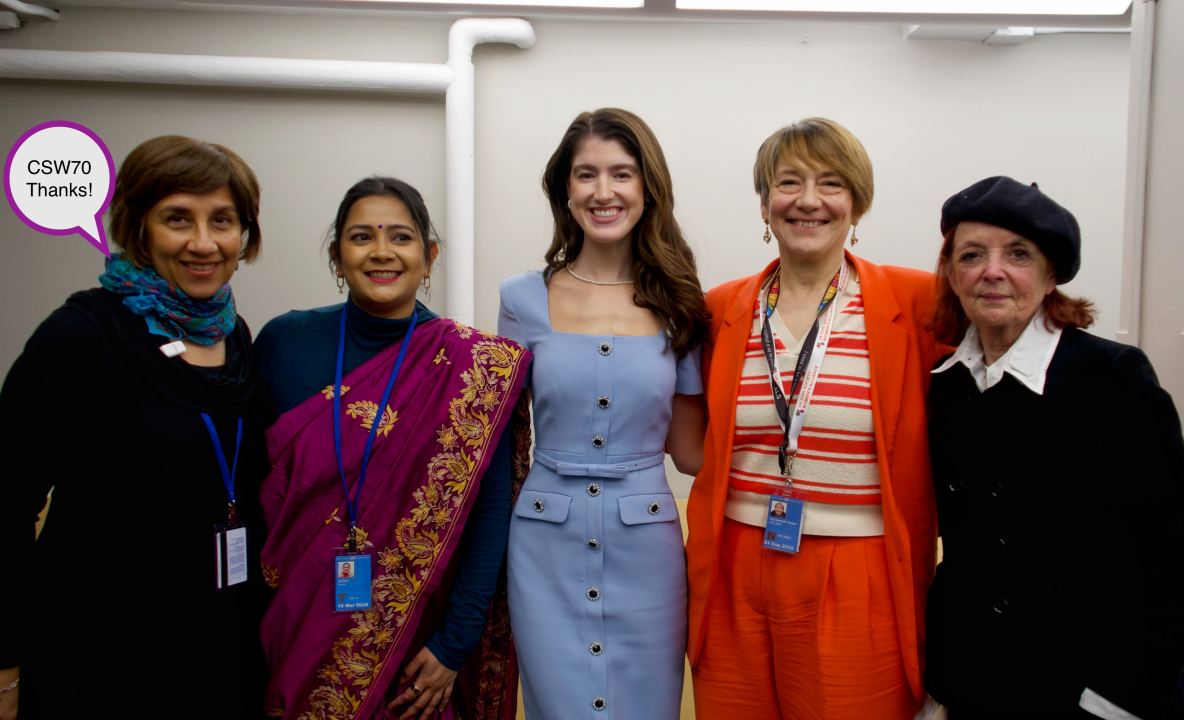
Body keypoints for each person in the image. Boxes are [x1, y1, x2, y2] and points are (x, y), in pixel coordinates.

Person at [687, 118, 951, 720]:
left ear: (857, 203)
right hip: (733, 565)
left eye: (831, 183)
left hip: (860, 570)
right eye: (789, 182)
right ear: (764, 204)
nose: (808, 200)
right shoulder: (722, 309)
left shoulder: (919, 303)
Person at [0, 135, 270, 719]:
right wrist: (5, 668)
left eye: (222, 220)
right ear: (138, 227)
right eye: (178, 218)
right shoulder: (82, 335)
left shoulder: (236, 336)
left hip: (217, 654)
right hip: (101, 662)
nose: (204, 242)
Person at [924, 176, 1184, 720]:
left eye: (1018, 254)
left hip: (1094, 694)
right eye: (972, 254)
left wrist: (1114, 702)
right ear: (951, 274)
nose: (992, 271)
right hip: (978, 687)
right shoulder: (947, 383)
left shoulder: (1113, 378)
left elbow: (1176, 561)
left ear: (1051, 273)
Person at [253, 177, 529, 720]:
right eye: (362, 237)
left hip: (418, 639)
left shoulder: (474, 370)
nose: (382, 252)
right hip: (294, 616)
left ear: (430, 256)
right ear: (338, 256)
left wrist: (454, 643)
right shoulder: (283, 343)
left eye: (401, 237)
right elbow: (255, 481)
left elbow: (490, 514)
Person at [499, 108, 709, 719]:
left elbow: (691, 452)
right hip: (542, 546)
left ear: (647, 187)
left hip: (648, 552)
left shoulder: (681, 303)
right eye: (585, 174)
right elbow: (501, 436)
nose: (603, 191)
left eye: (621, 173)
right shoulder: (520, 298)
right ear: (565, 189)